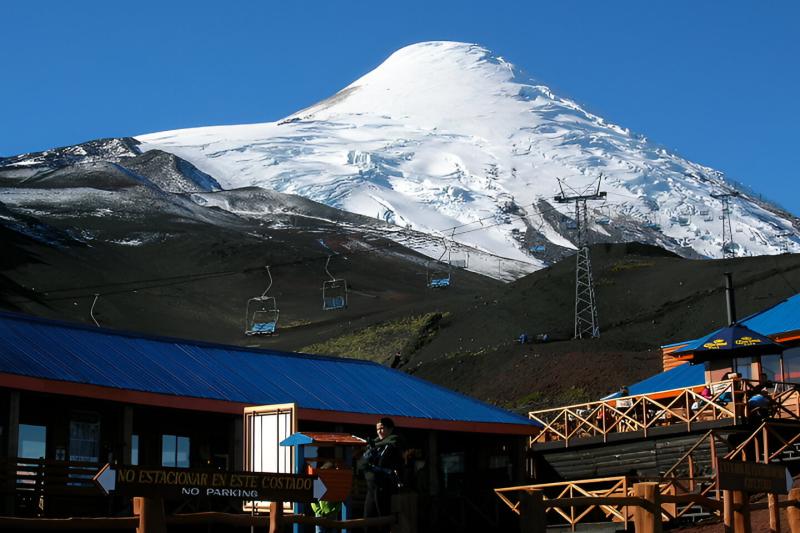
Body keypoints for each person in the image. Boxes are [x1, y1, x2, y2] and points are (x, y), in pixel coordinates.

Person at [359, 417, 405, 532]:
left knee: (384, 520)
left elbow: (383, 462)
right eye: (377, 429)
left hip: (384, 487)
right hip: (371, 488)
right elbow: (361, 465)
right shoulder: (372, 445)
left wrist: (374, 463)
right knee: (368, 519)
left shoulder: (393, 443)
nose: (379, 431)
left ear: (390, 429)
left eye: (382, 428)